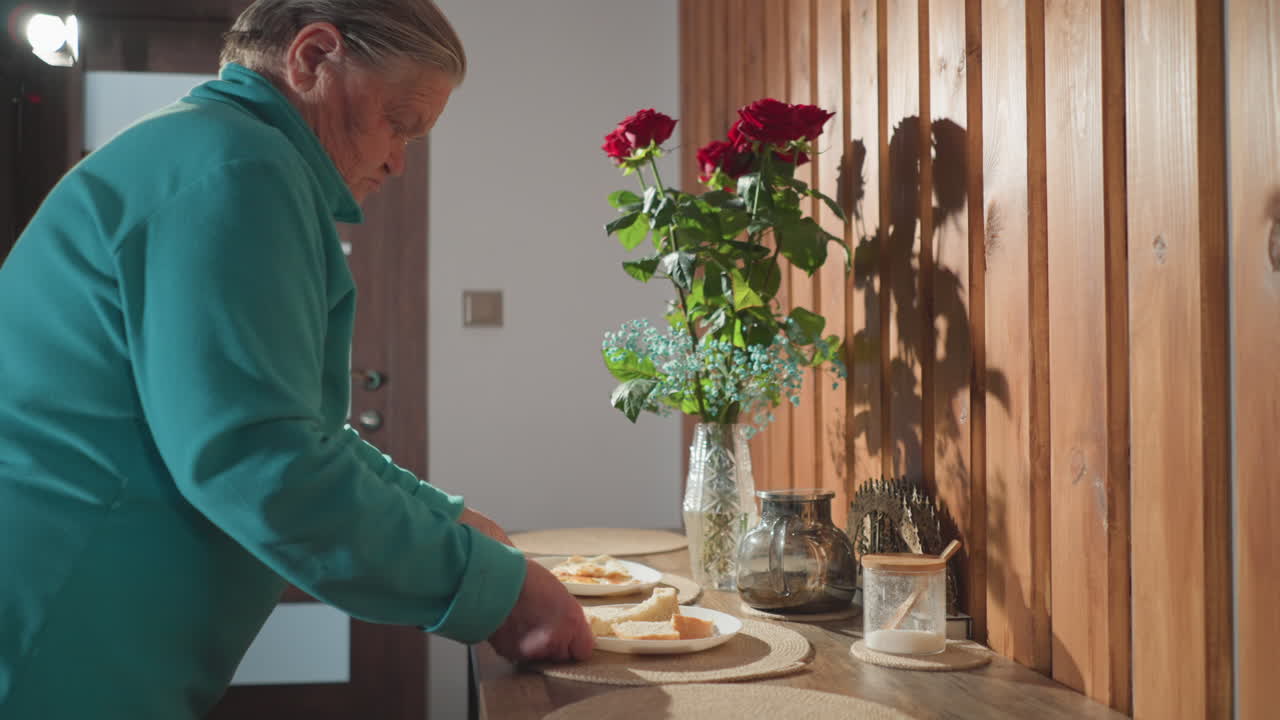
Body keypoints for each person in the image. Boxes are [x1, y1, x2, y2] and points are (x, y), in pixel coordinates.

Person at [0, 1, 592, 717]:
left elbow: (290, 422)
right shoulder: (236, 166)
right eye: (400, 123)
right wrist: (497, 592)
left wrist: (449, 520)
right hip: (57, 631)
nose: (401, 160)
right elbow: (259, 455)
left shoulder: (208, 149)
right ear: (313, 57)